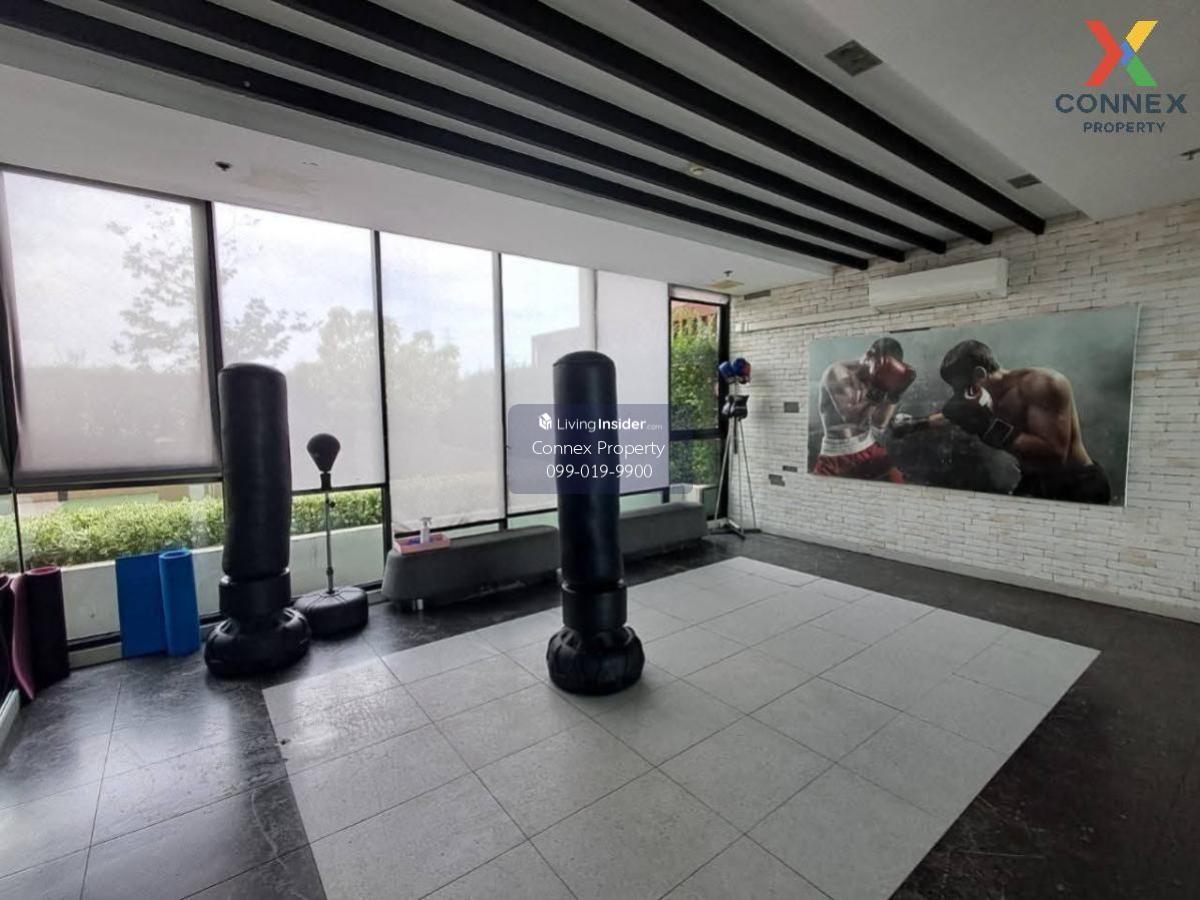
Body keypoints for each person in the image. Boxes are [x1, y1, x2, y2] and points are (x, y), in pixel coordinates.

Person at [895, 339, 1111, 503]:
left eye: (961, 387)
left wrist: (988, 426)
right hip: (1035, 481)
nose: (960, 394)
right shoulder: (981, 396)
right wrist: (915, 424)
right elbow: (956, 416)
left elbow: (1055, 455)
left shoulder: (1042, 384)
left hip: (1077, 483)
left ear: (980, 374)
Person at [812, 337, 915, 482]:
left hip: (869, 448)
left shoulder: (878, 379)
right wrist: (877, 393)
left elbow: (879, 423)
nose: (882, 373)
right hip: (836, 456)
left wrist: (894, 396)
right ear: (869, 354)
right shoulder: (837, 372)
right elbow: (851, 419)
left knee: (900, 484)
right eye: (881, 366)